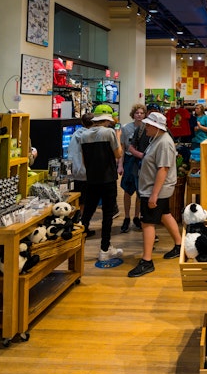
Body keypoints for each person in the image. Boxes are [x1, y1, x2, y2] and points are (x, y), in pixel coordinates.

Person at [127, 111, 183, 278]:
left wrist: (154, 195)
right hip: (154, 188)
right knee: (165, 214)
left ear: (156, 127)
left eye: (148, 126)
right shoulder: (157, 140)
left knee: (147, 222)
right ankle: (180, 245)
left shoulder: (164, 143)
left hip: (154, 189)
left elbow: (163, 169)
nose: (145, 128)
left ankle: (147, 260)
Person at [69, 112, 123, 261]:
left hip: (91, 179)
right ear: (105, 121)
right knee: (107, 215)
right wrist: (118, 137)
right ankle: (104, 249)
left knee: (86, 214)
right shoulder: (109, 132)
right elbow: (118, 154)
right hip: (108, 179)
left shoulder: (84, 135)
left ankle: (76, 247)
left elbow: (85, 160)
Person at [117, 103, 150, 233]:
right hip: (129, 160)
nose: (139, 115)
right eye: (137, 113)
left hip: (140, 161)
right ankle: (126, 217)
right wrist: (120, 165)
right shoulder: (126, 128)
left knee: (139, 191)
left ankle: (137, 216)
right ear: (133, 114)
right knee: (127, 189)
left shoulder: (146, 128)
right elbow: (123, 148)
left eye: (142, 113)